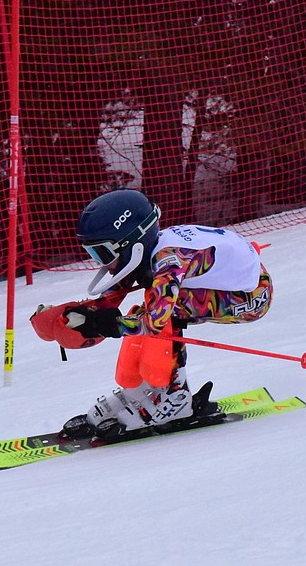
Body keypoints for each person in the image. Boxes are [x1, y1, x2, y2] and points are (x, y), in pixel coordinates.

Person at [30, 188, 273, 440]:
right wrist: (73, 316)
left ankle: (174, 397)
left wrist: (107, 325)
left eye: (103, 253)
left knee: (164, 310)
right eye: (93, 253)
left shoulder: (169, 262)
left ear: (131, 244)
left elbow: (155, 322)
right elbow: (112, 298)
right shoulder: (148, 251)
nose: (102, 263)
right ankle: (139, 390)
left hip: (252, 296)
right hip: (228, 283)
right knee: (145, 308)